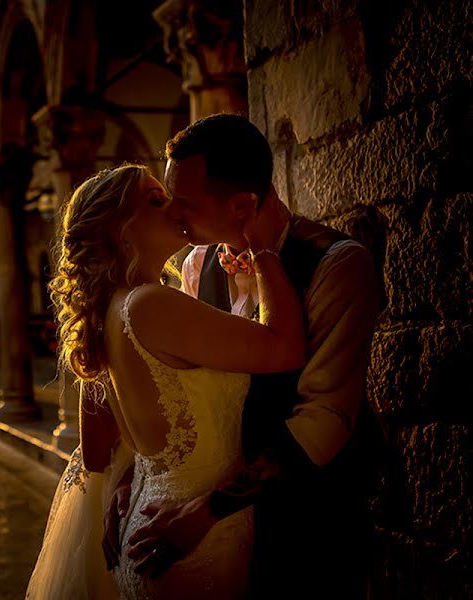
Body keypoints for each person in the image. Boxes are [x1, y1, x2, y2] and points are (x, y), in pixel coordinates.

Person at [103, 114, 381, 599]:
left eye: (182, 204)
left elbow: (326, 418)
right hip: (210, 530)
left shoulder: (338, 264)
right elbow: (178, 388)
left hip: (306, 522)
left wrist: (205, 512)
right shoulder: (195, 263)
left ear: (241, 205)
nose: (172, 214)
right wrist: (133, 474)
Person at [28, 160, 307, 599]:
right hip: (192, 543)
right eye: (157, 200)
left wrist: (120, 486)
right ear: (119, 229)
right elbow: (284, 347)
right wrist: (263, 247)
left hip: (151, 519)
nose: (175, 207)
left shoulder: (109, 312)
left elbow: (98, 436)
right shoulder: (150, 305)